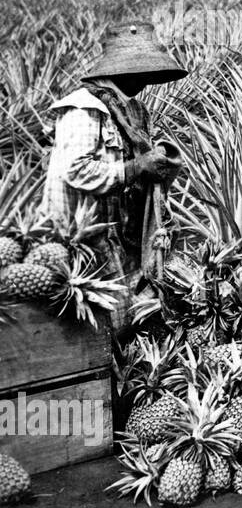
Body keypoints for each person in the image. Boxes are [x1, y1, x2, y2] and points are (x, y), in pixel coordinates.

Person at [40, 21, 188, 300]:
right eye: (141, 71)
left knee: (129, 306)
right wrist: (136, 167)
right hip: (77, 235)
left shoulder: (134, 109)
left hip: (116, 226)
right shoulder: (85, 109)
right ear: (120, 70)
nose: (146, 80)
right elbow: (77, 171)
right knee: (98, 315)